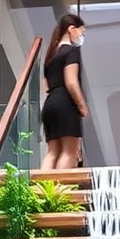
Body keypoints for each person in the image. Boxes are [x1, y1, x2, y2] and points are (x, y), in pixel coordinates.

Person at [41, 13, 88, 170]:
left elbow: (46, 86)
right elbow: (71, 82)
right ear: (71, 29)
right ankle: (60, 192)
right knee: (69, 152)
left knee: (52, 152)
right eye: (81, 32)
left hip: (50, 103)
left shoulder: (50, 56)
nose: (81, 36)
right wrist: (82, 106)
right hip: (65, 103)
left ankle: (43, 191)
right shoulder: (71, 52)